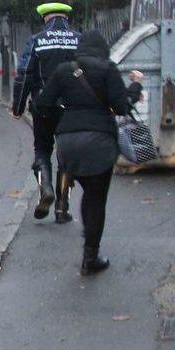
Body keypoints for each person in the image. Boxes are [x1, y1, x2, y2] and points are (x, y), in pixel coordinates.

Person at [35, 30, 143, 274]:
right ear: (103, 48)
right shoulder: (108, 69)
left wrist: (68, 112)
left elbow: (42, 103)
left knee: (86, 190)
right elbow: (122, 107)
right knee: (96, 198)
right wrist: (135, 85)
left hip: (67, 142)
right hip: (100, 142)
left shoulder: (65, 70)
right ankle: (90, 257)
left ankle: (74, 215)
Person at [11, 3, 81, 223]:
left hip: (42, 106)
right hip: (71, 108)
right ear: (66, 18)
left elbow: (24, 75)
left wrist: (18, 108)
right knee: (67, 155)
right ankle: (62, 208)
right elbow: (87, 71)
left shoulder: (37, 40)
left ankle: (45, 188)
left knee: (42, 149)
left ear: (45, 18)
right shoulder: (79, 39)